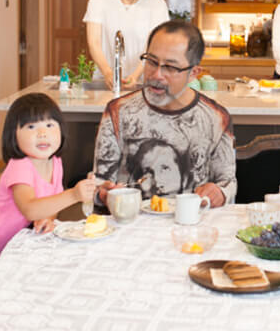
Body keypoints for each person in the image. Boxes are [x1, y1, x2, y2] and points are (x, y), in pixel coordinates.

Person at [94, 20, 236, 206]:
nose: (156, 74)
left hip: (193, 226)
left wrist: (220, 193)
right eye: (152, 62)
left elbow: (228, 182)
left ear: (193, 73)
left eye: (170, 67)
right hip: (133, 226)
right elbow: (97, 187)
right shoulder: (118, 112)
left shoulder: (216, 118)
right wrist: (104, 194)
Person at [0, 93, 95, 292]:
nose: (42, 133)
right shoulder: (20, 166)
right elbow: (29, 209)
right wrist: (74, 195)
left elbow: (50, 200)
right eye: (31, 127)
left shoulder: (55, 162)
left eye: (50, 125)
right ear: (14, 136)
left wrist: (48, 219)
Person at [83, 0, 169, 89]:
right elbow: (94, 43)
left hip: (144, 81)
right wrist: (108, 73)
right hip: (105, 81)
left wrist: (135, 76)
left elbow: (154, 46)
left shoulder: (157, 4)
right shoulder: (99, 0)